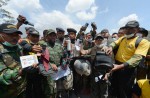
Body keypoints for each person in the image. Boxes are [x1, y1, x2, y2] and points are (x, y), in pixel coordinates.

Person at [106, 20, 150, 98]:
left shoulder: (143, 42)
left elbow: (137, 58)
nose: (128, 31)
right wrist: (110, 47)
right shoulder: (123, 38)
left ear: (137, 29)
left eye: (131, 29)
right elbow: (115, 43)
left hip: (127, 69)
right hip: (116, 66)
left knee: (125, 91)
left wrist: (120, 66)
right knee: (114, 88)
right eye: (127, 28)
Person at [0, 23, 26, 98]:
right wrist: (21, 71)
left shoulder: (18, 48)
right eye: (10, 34)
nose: (14, 37)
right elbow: (2, 76)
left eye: (16, 35)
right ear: (1, 35)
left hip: (21, 90)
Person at [19, 29, 44, 98]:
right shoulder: (24, 41)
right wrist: (31, 48)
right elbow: (24, 45)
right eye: (33, 36)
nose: (35, 38)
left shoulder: (40, 45)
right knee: (28, 90)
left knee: (38, 89)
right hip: (26, 72)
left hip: (37, 70)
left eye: (37, 36)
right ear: (28, 36)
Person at [40, 29, 63, 98]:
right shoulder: (43, 46)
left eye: (54, 35)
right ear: (47, 37)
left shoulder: (59, 46)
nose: (52, 37)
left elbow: (64, 56)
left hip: (59, 70)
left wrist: (64, 63)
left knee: (59, 88)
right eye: (50, 35)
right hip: (49, 71)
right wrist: (50, 64)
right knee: (50, 90)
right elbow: (41, 60)